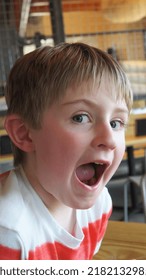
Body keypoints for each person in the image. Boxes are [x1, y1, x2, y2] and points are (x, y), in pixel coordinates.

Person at [0, 42, 133, 260]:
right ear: (24, 133)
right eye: (80, 117)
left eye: (116, 122)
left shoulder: (99, 205)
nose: (109, 139)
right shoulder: (9, 230)